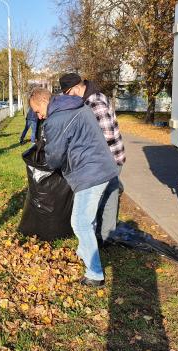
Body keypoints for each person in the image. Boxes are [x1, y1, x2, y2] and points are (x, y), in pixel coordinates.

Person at [29, 87, 118, 287]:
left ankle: (95, 274)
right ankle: (85, 251)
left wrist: (48, 162)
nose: (38, 116)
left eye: (37, 111)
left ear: (43, 102)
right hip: (104, 166)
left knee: (80, 223)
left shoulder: (55, 120)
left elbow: (54, 156)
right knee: (88, 219)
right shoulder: (77, 105)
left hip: (90, 174)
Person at [59, 73, 126, 246]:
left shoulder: (94, 103)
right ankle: (105, 235)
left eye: (67, 93)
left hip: (109, 158)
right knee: (109, 195)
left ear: (74, 88)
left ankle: (104, 237)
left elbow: (107, 134)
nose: (67, 97)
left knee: (105, 198)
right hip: (109, 158)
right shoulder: (89, 98)